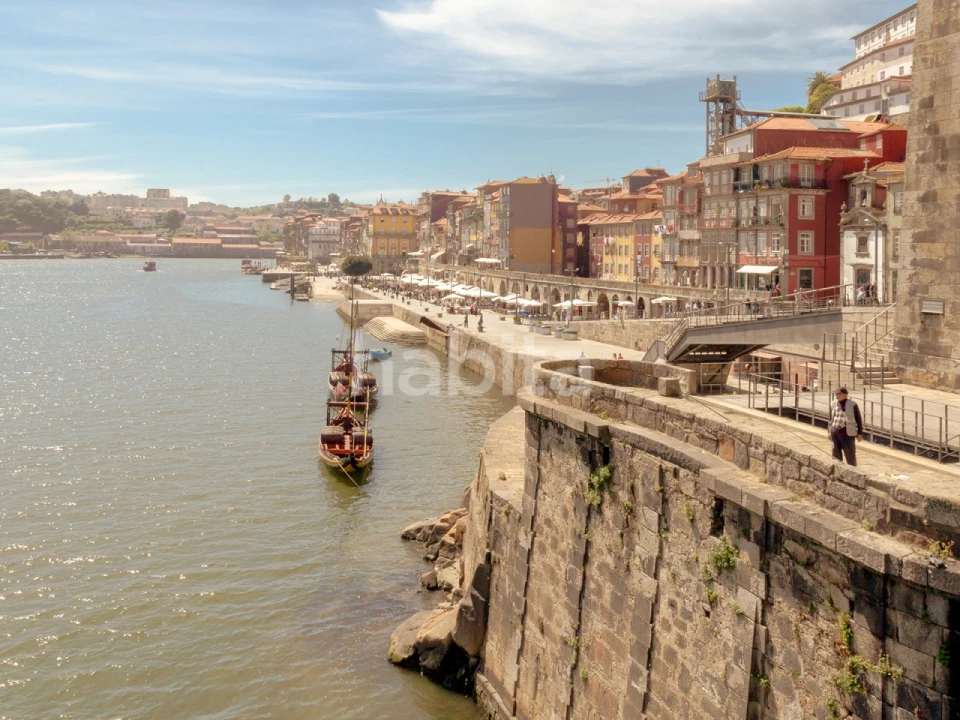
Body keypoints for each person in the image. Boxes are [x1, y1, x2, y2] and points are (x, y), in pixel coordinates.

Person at [828, 387, 863, 466]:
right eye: (836, 394)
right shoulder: (833, 403)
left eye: (839, 393)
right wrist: (829, 431)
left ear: (845, 395)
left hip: (847, 434)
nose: (837, 395)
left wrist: (859, 433)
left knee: (850, 456)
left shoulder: (852, 404)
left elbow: (858, 419)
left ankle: (853, 473)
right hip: (835, 432)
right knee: (835, 455)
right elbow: (831, 419)